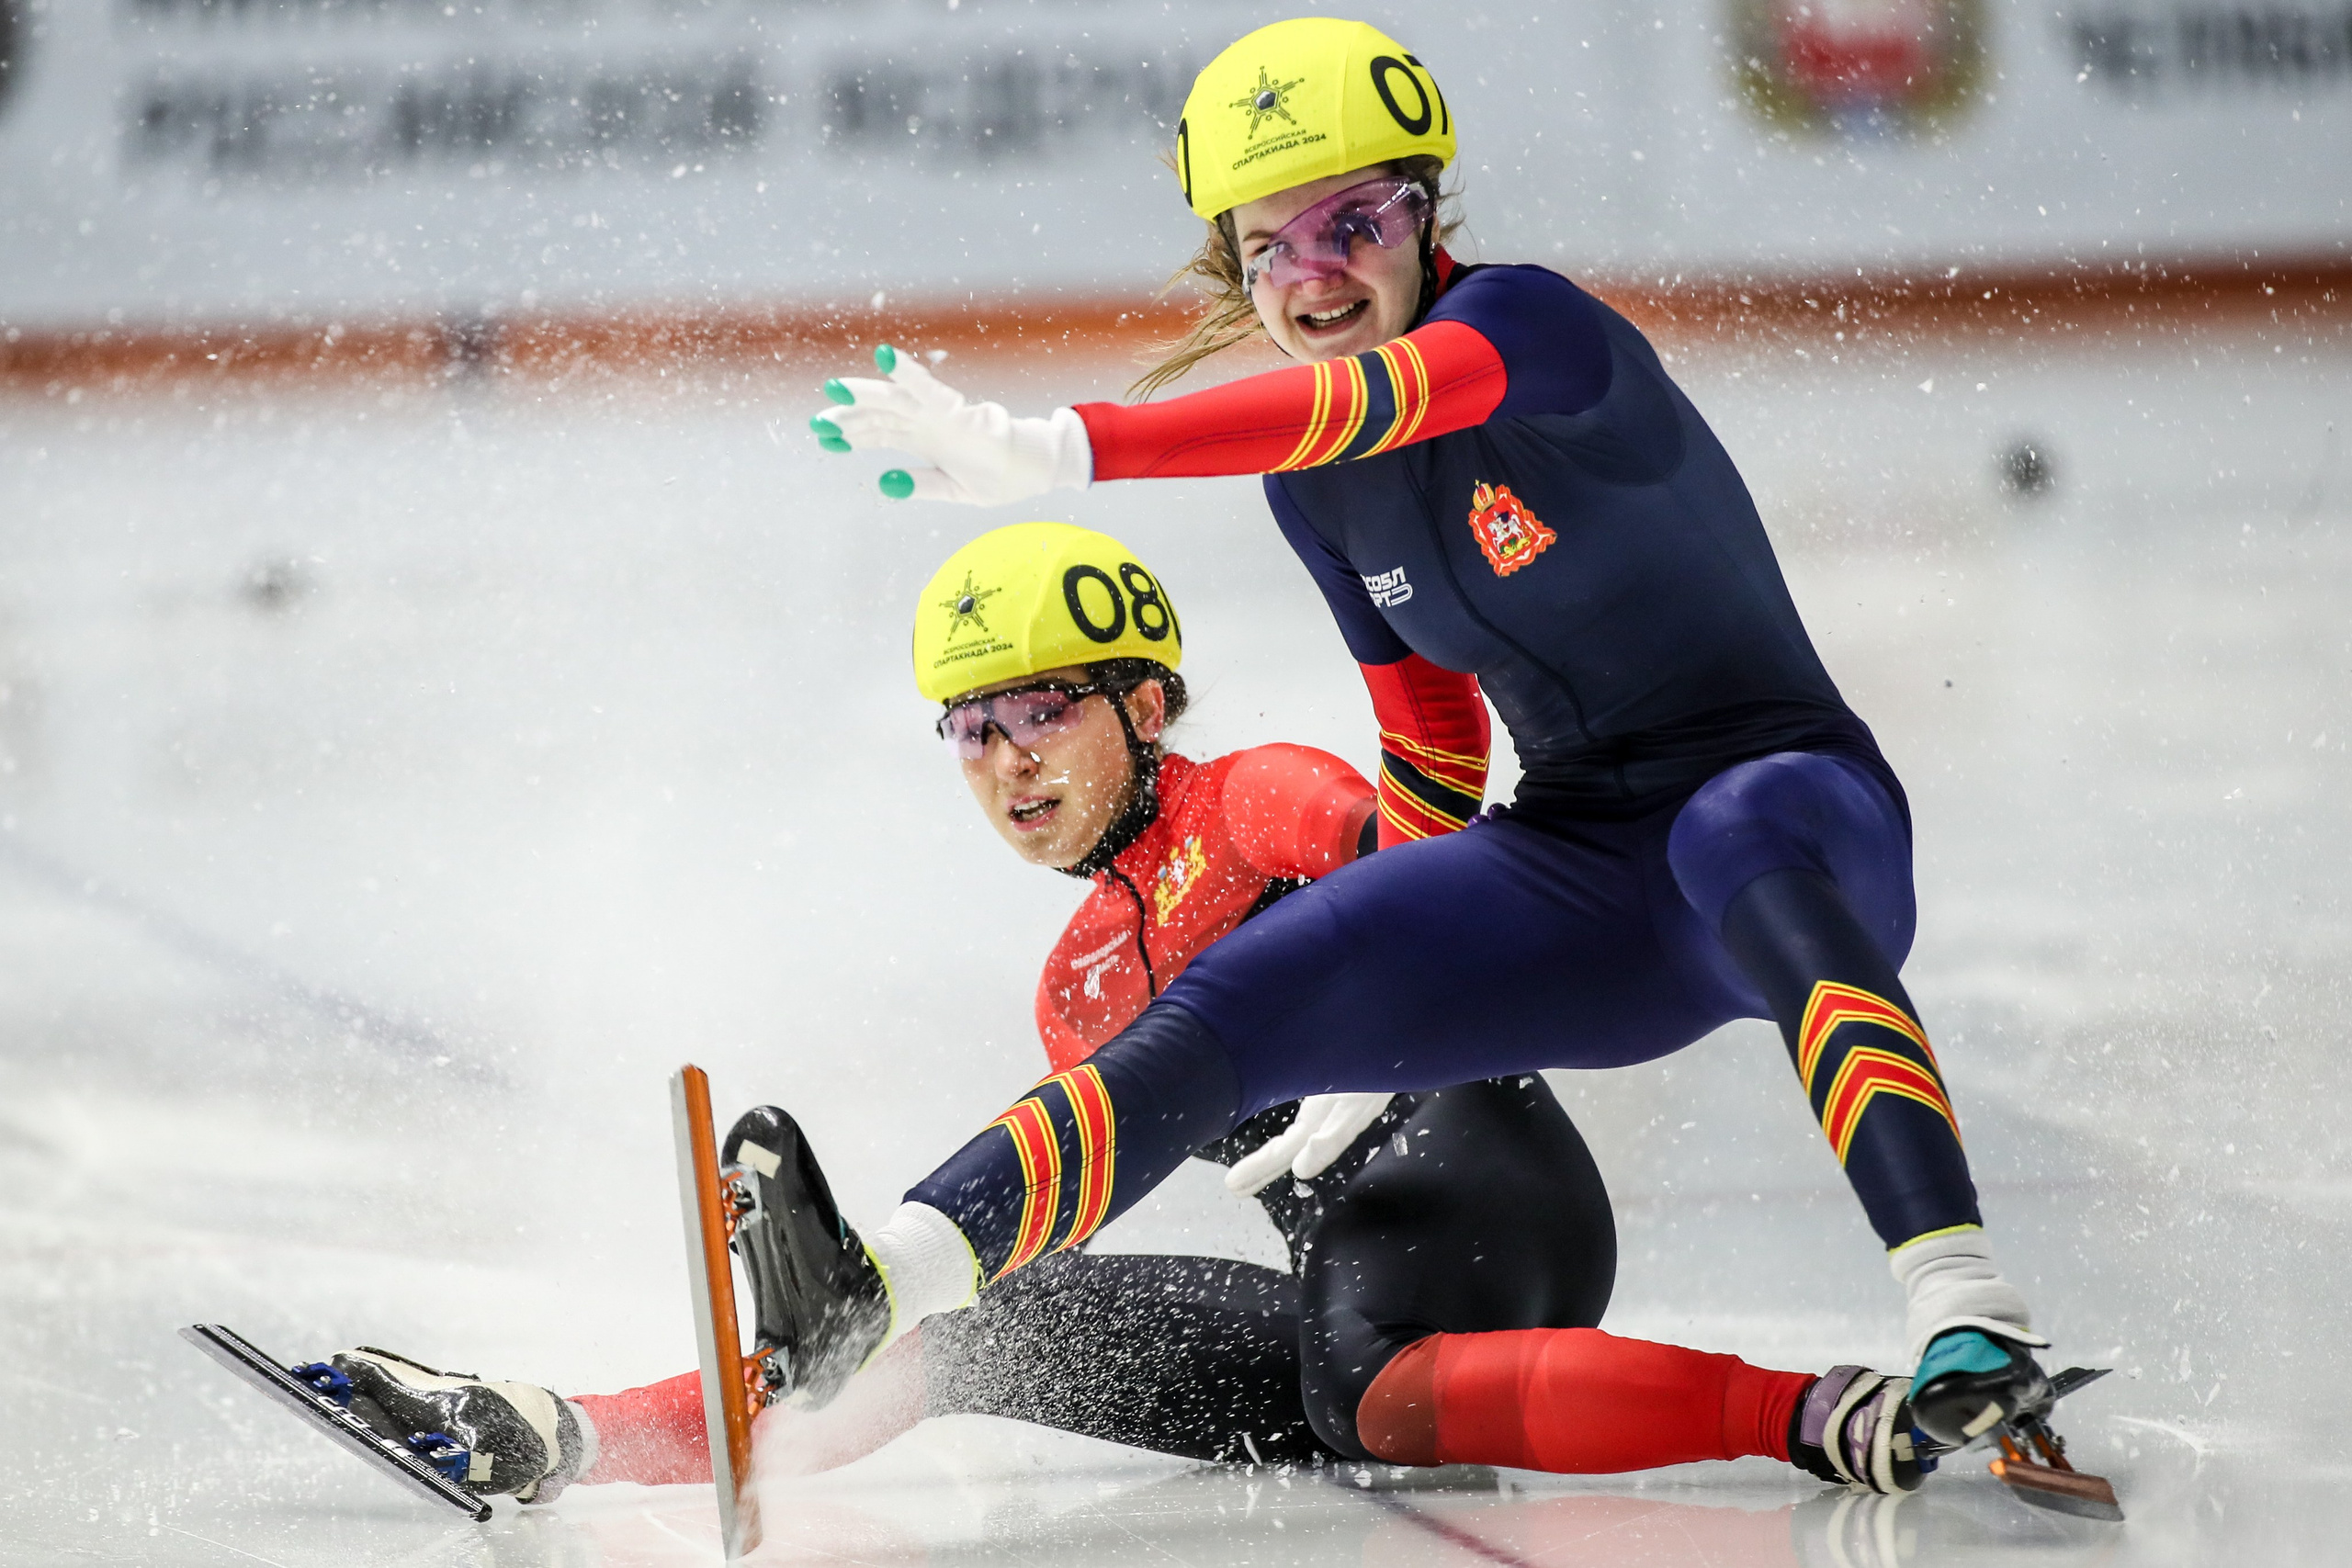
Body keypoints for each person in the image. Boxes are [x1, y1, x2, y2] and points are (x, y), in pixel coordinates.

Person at [791, 15, 2060, 1482]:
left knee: (1733, 829)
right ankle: (889, 1270)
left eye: (1356, 222)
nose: (1317, 271)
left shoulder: (1529, 329)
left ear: (1424, 215)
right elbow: (1435, 753)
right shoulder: (1319, 494)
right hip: (1590, 873)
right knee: (1248, 990)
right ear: (1235, 267)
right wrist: (1369, 989)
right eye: (1271, 247)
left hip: (1795, 814)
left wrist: (1068, 448)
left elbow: (1368, 401)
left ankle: (1965, 1306)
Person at [305, 525, 1924, 1505]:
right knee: (966, 1337)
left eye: (1043, 712)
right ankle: (553, 1435)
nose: (1008, 761)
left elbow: (1466, 892)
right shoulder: (1073, 983)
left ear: (1144, 707)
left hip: (1485, 1199)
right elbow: (1096, 1175)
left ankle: (1815, 1414)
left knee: (1363, 1375)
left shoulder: (1269, 797)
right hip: (1335, 1312)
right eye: (971, 730)